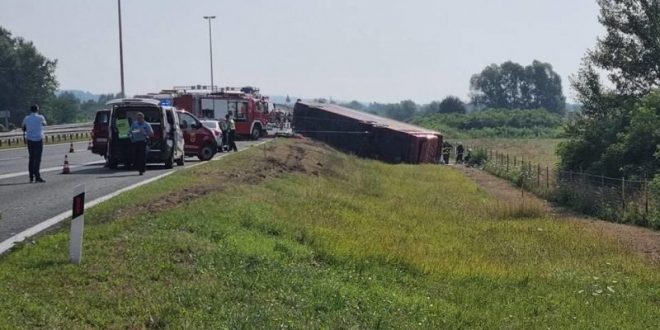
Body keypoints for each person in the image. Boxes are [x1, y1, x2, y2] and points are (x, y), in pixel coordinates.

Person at [22, 105, 47, 183]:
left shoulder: (26, 118)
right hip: (38, 139)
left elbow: (23, 127)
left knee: (31, 158)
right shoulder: (40, 117)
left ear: (30, 110)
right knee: (38, 159)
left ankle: (31, 176)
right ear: (37, 110)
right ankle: (37, 176)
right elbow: (44, 124)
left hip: (30, 139)